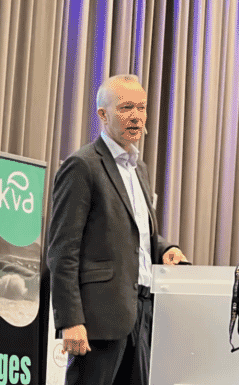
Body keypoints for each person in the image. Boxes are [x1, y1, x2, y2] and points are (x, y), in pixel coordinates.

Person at [46, 74, 187, 385]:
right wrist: (70, 321)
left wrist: (165, 249)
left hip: (141, 314)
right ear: (103, 115)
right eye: (125, 108)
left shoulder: (140, 168)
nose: (136, 116)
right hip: (98, 319)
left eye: (141, 107)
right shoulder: (82, 166)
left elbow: (134, 232)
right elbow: (61, 250)